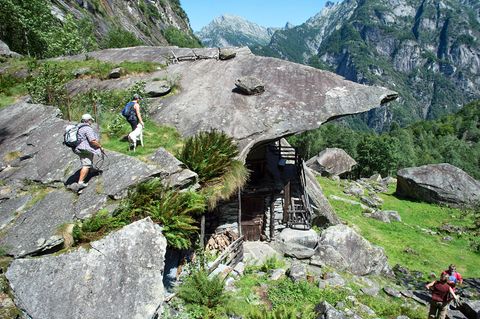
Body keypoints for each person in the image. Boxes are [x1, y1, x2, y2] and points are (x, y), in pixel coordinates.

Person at [70, 114, 103, 192]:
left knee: (89, 155)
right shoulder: (87, 128)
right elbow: (92, 141)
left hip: (77, 148)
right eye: (91, 120)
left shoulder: (78, 126)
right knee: (86, 164)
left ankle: (91, 170)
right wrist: (100, 147)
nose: (92, 122)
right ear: (88, 120)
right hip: (82, 149)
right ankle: (80, 183)